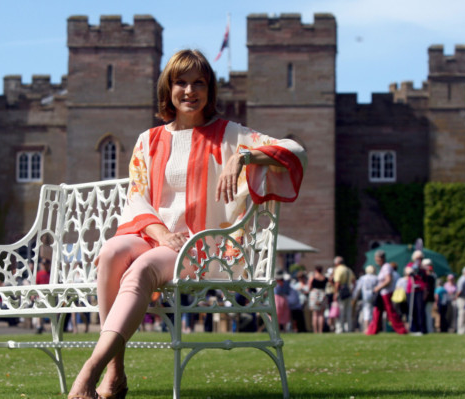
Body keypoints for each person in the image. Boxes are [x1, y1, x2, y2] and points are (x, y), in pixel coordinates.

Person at [68, 49, 306, 399]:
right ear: (168, 88)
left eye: (199, 83)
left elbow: (295, 150)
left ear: (210, 91)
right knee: (111, 251)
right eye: (181, 82)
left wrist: (244, 156)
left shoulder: (230, 135)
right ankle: (115, 372)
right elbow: (136, 197)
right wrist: (162, 233)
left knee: (141, 269)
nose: (189, 91)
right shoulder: (147, 141)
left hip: (206, 246)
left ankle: (90, 370)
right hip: (158, 236)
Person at [366, 251, 408, 335]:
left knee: (390, 312)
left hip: (386, 293)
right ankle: (373, 330)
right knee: (377, 312)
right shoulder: (383, 267)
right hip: (382, 293)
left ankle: (401, 329)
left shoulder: (386, 267)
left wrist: (378, 287)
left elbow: (388, 280)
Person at [333, 259, 356, 333]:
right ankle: (349, 328)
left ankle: (340, 328)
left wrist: (335, 293)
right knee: (348, 311)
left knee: (341, 311)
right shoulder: (349, 270)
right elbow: (354, 281)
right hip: (348, 292)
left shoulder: (338, 270)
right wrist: (351, 290)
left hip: (341, 292)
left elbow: (337, 283)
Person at [353, 265, 378, 332]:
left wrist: (354, 297)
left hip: (365, 296)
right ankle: (372, 327)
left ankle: (367, 328)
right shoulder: (375, 278)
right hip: (374, 296)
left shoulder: (363, 278)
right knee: (373, 312)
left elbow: (358, 288)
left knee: (366, 312)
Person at [307, 266, 327, 333]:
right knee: (321, 314)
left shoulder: (313, 278)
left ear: (316, 270)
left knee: (315, 314)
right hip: (322, 294)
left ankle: (315, 331)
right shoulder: (324, 278)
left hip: (314, 294)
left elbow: (309, 287)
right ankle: (320, 330)